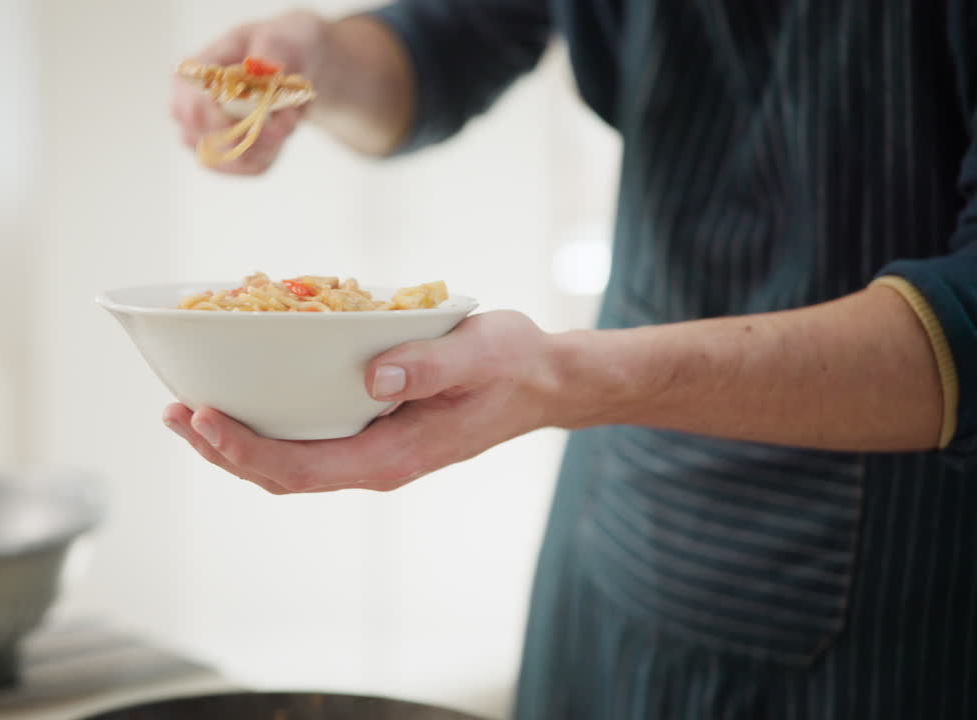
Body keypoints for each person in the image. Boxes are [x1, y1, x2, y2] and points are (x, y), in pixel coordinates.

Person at [167, 2, 977, 718]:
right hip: (617, 524)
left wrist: (564, 379)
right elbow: (451, 37)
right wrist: (322, 59)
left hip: (897, 588)